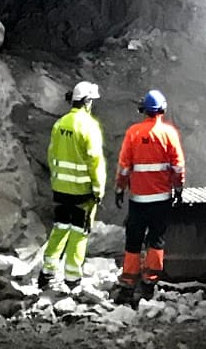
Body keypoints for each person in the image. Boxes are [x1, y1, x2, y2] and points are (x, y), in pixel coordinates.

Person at [114, 88, 186, 303]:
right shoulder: (169, 133)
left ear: (143, 110)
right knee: (156, 240)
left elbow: (124, 167)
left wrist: (120, 189)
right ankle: (149, 284)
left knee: (133, 241)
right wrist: (178, 188)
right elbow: (178, 166)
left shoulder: (133, 133)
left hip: (138, 200)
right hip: (161, 199)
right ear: (162, 109)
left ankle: (128, 284)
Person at [40, 79, 106, 294]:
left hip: (60, 190)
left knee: (59, 228)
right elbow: (94, 160)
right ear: (86, 102)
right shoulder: (89, 126)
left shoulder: (60, 124)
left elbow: (51, 156)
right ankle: (72, 279)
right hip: (82, 193)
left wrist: (57, 181)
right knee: (79, 233)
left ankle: (47, 273)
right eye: (92, 101)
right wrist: (98, 190)